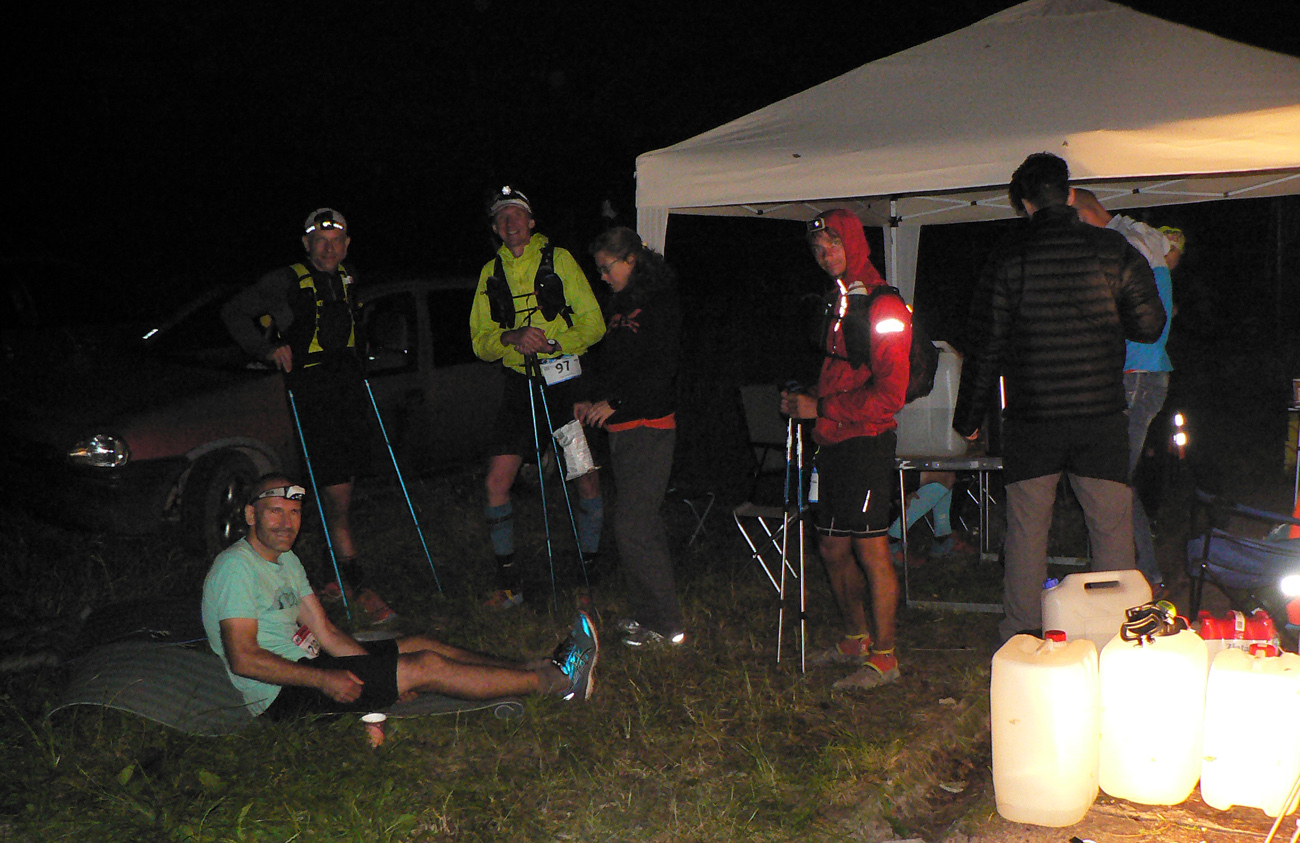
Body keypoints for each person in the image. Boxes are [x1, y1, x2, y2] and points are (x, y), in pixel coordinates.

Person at [953, 153, 1166, 642]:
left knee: (1027, 532)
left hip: (1033, 418)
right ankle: (1114, 636)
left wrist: (968, 419)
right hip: (1100, 414)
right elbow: (1150, 325)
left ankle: (1024, 636)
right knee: (1110, 531)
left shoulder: (1008, 257)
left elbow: (985, 346)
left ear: (1024, 203)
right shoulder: (1112, 249)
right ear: (1069, 194)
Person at [200, 474, 599, 719]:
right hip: (282, 697)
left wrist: (382, 676)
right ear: (250, 515)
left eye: (294, 513)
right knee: (425, 665)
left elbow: (326, 632)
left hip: (311, 663)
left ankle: (527, 665)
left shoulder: (286, 560)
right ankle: (555, 681)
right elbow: (243, 659)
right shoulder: (235, 568)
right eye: (275, 511)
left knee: (423, 644)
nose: (287, 522)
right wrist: (324, 679)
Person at [221, 208, 394, 622]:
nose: (329, 248)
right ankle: (356, 584)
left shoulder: (350, 278)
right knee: (333, 493)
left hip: (348, 392)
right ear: (306, 244)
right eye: (320, 240)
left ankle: (332, 577)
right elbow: (234, 312)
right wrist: (266, 349)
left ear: (346, 245)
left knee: (341, 491)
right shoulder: (284, 280)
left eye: (336, 241)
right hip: (312, 394)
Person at [779, 209, 912, 692]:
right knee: (832, 546)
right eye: (817, 248)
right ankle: (856, 639)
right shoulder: (839, 299)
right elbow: (838, 371)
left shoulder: (884, 305)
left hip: (867, 441)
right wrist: (806, 399)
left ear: (853, 241)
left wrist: (821, 406)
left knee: (871, 548)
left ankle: (885, 655)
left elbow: (890, 394)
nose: (825, 254)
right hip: (831, 440)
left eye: (833, 244)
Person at [469, 186, 607, 609]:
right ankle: (509, 582)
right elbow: (480, 342)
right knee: (496, 482)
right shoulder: (490, 271)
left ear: (531, 222)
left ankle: (589, 573)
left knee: (584, 475)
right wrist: (510, 336)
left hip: (566, 384)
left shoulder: (560, 260)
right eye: (502, 217)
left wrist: (553, 343)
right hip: (519, 385)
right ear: (496, 228)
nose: (510, 223)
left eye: (517, 214)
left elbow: (595, 325)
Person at [574, 227, 685, 648]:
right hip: (622, 430)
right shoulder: (618, 304)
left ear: (630, 260)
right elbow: (612, 364)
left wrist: (617, 402)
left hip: (649, 427)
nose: (602, 277)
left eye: (607, 268)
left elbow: (660, 368)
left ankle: (667, 625)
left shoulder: (660, 302)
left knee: (632, 525)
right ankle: (647, 616)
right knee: (639, 525)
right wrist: (591, 397)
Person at [1071, 188, 1179, 596]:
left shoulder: (1122, 246)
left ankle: (1133, 578)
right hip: (1144, 373)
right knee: (1115, 480)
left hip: (1135, 374)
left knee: (1110, 481)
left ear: (1082, 215)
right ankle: (1142, 575)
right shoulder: (1139, 238)